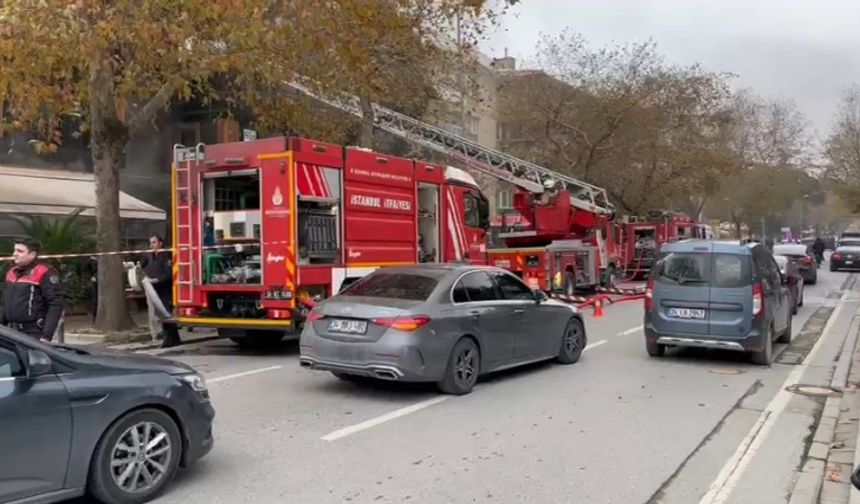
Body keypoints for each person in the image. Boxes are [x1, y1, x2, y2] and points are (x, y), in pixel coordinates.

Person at [0, 237, 64, 341]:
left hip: (34, 332)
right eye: (15, 250)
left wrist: (47, 336)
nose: (14, 254)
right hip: (12, 330)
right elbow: (4, 303)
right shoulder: (11, 272)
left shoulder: (44, 272)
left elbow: (55, 304)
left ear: (32, 254)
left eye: (20, 251)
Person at [140, 235, 181, 348]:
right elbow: (145, 268)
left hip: (164, 288)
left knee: (165, 313)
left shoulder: (165, 256)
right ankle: (174, 339)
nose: (151, 245)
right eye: (150, 243)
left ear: (160, 243)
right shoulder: (150, 256)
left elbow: (169, 274)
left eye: (154, 242)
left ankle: (168, 339)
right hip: (153, 288)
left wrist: (157, 280)